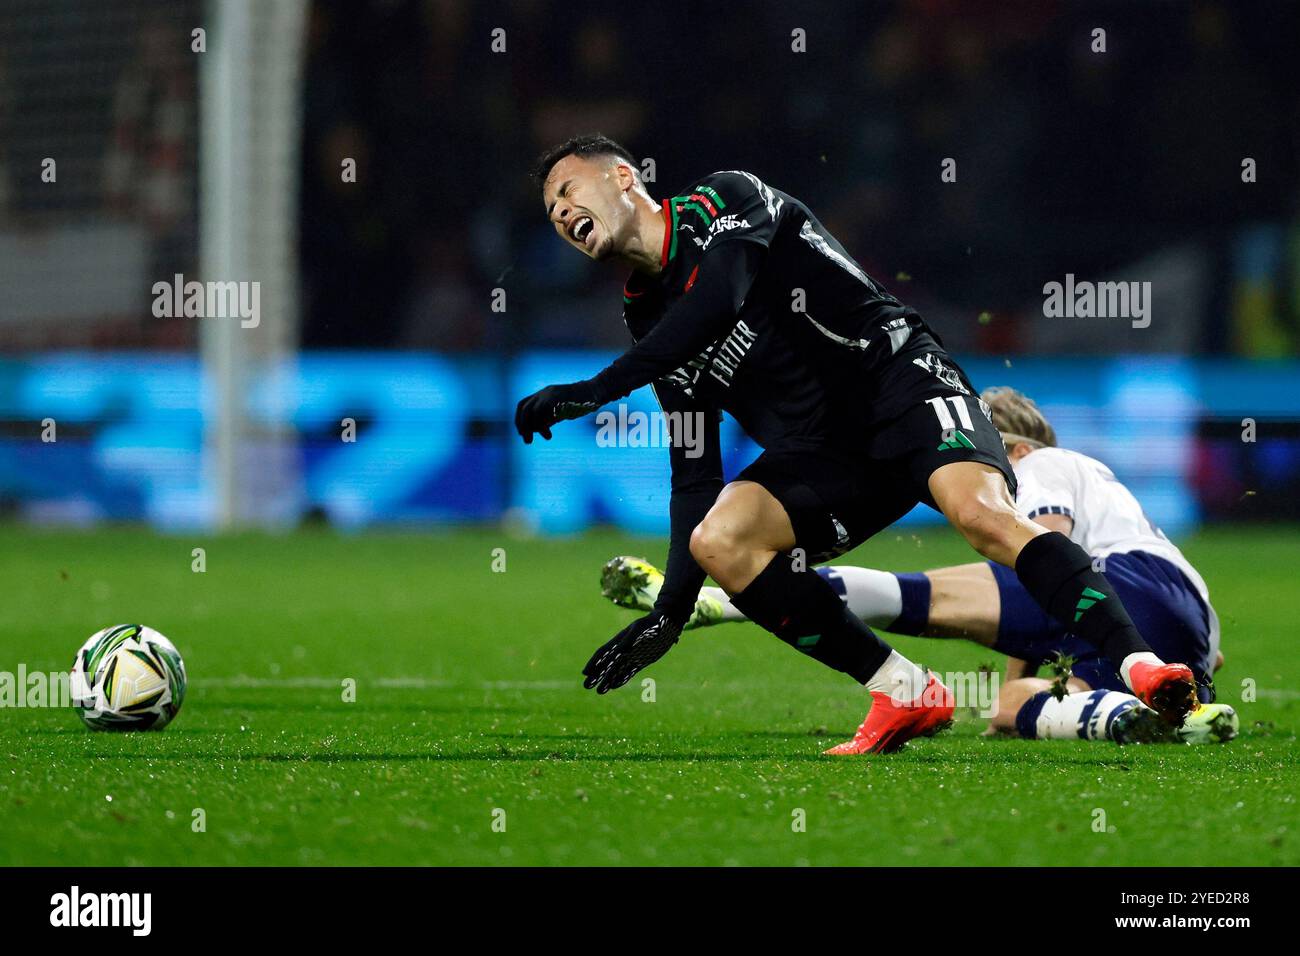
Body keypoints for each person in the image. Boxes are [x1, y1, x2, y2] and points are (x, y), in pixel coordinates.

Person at [515, 134, 1197, 753]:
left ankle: (1139, 663)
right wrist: (669, 614)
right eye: (550, 212)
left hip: (898, 381)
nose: (561, 213)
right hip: (829, 452)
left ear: (625, 177)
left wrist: (597, 389)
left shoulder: (726, 200)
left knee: (984, 518)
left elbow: (718, 300)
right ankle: (904, 690)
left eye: (567, 190)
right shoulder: (646, 316)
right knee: (721, 539)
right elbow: (693, 464)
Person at [598, 387, 1238, 746]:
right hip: (1189, 634)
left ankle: (722, 602)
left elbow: (1045, 552)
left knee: (922, 595)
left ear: (1007, 445)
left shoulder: (1043, 464)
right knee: (1011, 706)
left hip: (1131, 586)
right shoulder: (1113, 492)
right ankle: (1132, 718)